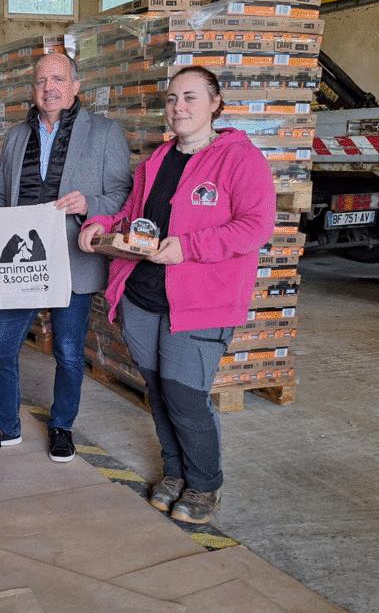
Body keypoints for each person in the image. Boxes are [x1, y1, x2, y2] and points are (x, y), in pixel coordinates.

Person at [78, 66, 276, 523]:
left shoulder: (239, 159)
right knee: (160, 392)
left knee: (186, 396)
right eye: (171, 98)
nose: (178, 107)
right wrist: (103, 227)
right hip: (144, 296)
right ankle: (174, 474)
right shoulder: (157, 160)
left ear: (215, 104)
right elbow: (133, 214)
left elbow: (255, 226)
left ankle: (205, 485)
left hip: (200, 301)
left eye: (190, 97)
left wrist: (188, 247)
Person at [0, 52, 131, 462]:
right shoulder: (18, 136)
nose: (49, 87)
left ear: (75, 86)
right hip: (21, 264)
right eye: (41, 81)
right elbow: (5, 195)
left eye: (58, 79)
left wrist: (88, 203)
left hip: (73, 259)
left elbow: (123, 196)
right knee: (1, 345)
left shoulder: (104, 133)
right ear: (33, 90)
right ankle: (6, 425)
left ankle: (62, 427)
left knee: (69, 352)